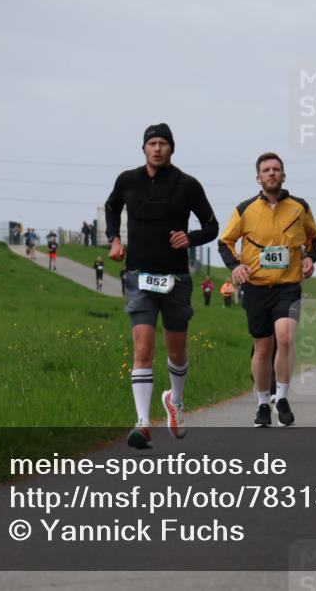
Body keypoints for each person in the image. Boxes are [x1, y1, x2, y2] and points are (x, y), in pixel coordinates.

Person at [104, 122, 219, 448]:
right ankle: (142, 424)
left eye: (163, 143)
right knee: (142, 349)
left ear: (171, 148)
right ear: (143, 148)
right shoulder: (127, 180)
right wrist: (114, 238)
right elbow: (113, 205)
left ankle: (176, 402)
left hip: (176, 278)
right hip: (138, 275)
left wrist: (190, 237)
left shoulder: (187, 185)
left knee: (177, 351)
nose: (157, 148)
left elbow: (211, 226)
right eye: (152, 143)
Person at [218, 152, 316, 427]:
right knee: (262, 348)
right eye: (267, 170)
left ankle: (282, 397)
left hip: (288, 285)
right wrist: (236, 266)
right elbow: (225, 242)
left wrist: (310, 258)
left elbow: (314, 236)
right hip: (257, 287)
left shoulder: (299, 207)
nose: (272, 173)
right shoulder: (245, 209)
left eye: (276, 169)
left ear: (284, 175)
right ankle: (263, 403)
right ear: (259, 177)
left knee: (285, 338)